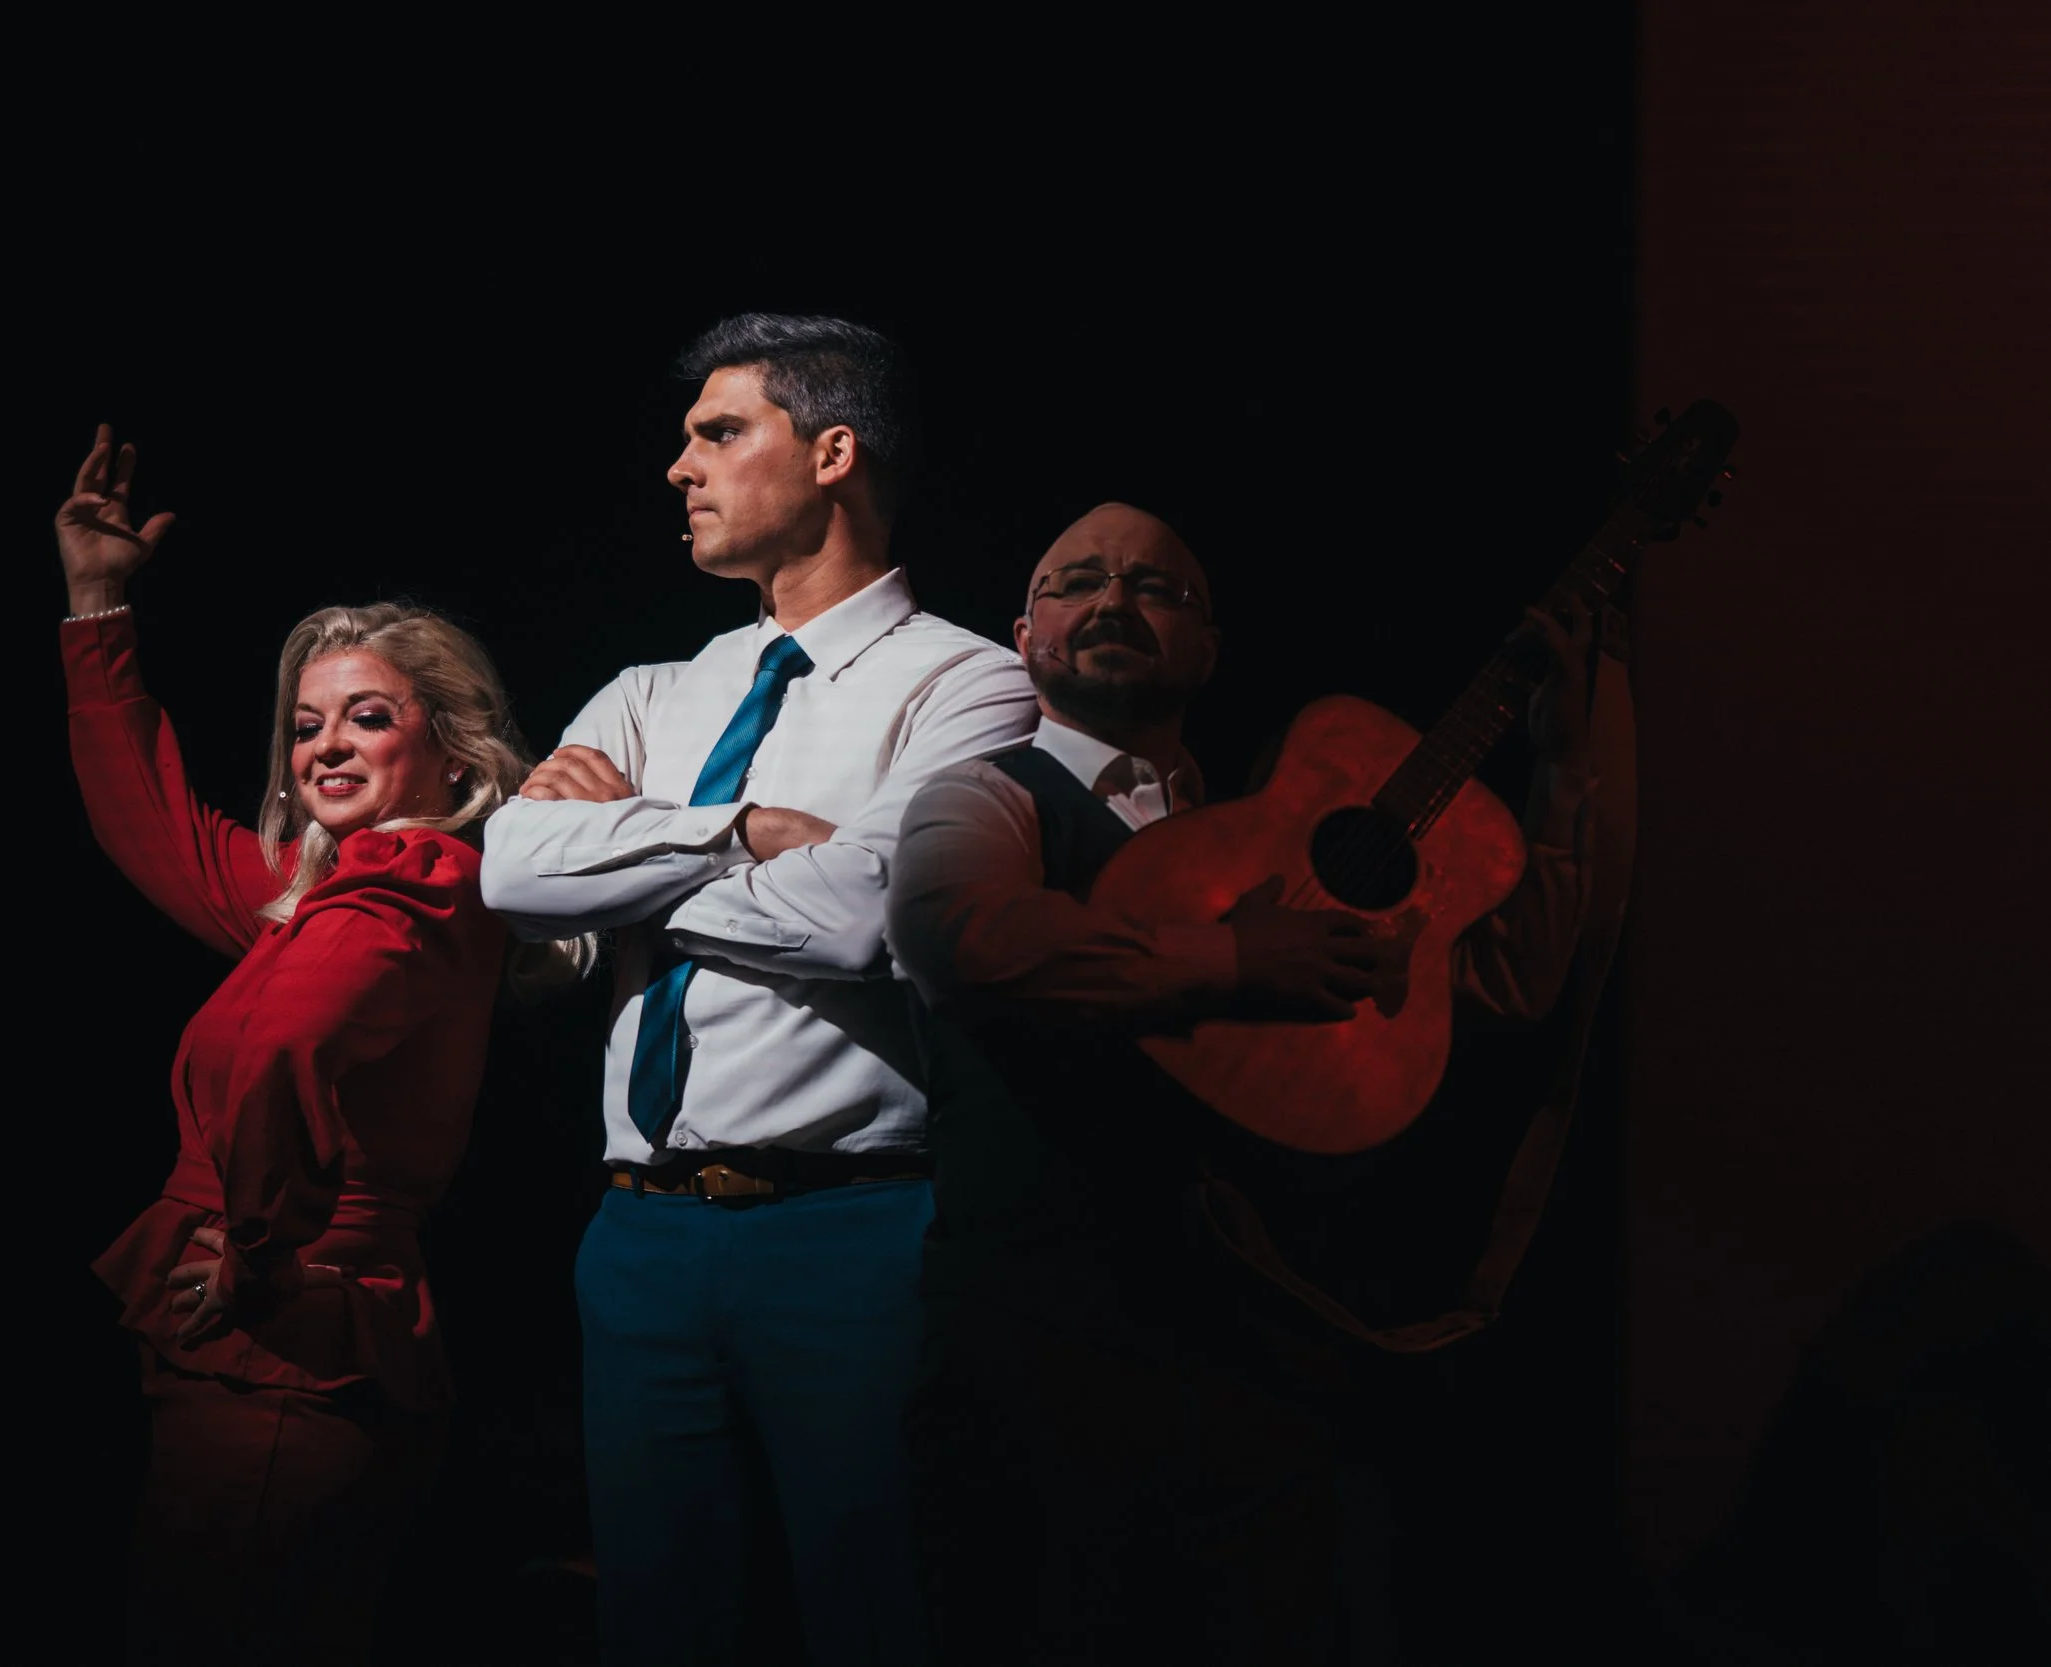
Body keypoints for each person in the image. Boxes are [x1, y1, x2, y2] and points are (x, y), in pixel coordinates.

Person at [887, 502, 1603, 1665]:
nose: (1114, 600)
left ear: (1211, 649)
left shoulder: (1295, 830)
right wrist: (1234, 961)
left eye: (1155, 588)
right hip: (1040, 1361)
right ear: (1026, 636)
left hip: (1264, 1367)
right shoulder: (985, 797)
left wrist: (1567, 765)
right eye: (1077, 582)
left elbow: (1512, 980)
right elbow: (957, 930)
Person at [478, 314, 1038, 1665]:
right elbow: (509, 865)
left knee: (876, 1614)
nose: (681, 467)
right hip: (639, 1238)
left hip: (851, 1228)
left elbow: (871, 918)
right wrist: (737, 831)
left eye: (718, 432)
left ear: (833, 451)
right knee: (659, 1625)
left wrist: (627, 856)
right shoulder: (651, 688)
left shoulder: (971, 682)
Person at [54, 424, 577, 1666]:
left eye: (369, 716)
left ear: (448, 743)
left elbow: (280, 1041)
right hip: (280, 1342)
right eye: (305, 724)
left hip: (287, 1343)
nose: (325, 745)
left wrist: (257, 1239)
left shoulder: (419, 872)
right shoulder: (324, 895)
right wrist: (96, 602)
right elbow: (153, 824)